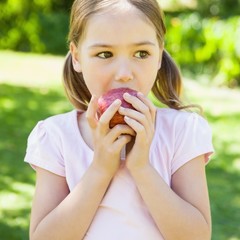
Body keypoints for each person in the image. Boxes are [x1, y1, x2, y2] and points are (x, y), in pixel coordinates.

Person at [24, 0, 214, 239]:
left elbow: (197, 236)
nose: (124, 73)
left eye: (141, 53)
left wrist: (142, 167)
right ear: (77, 57)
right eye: (105, 54)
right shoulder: (57, 136)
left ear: (158, 55)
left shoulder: (182, 132)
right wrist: (101, 168)